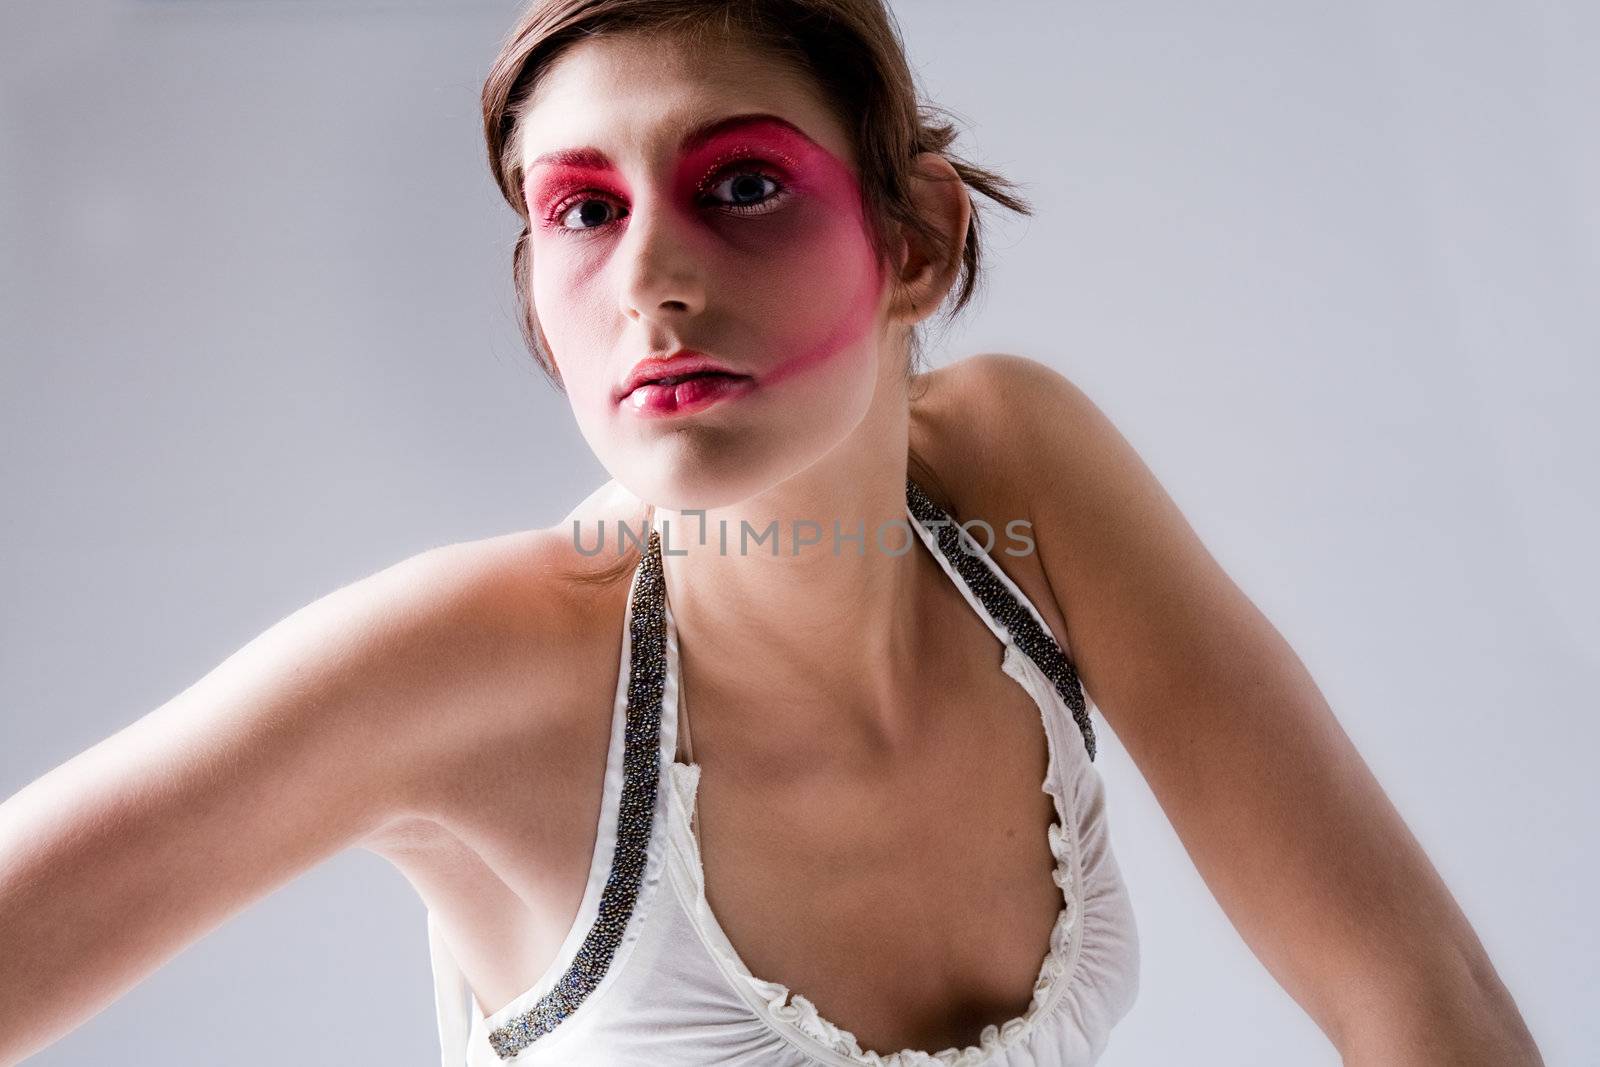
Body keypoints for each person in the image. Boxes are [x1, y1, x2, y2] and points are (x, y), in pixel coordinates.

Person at [0, 1, 1542, 1065]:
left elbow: (1416, 992)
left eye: (741, 182)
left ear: (919, 240)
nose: (653, 275)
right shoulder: (468, 667)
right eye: (583, 212)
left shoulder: (1020, 482)